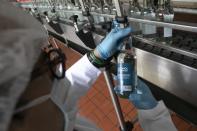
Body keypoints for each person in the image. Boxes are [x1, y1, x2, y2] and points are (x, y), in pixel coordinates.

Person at [0, 1, 177, 131]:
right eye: (44, 65)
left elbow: (60, 90)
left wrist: (97, 57)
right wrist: (156, 118)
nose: (54, 71)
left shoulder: (49, 118)